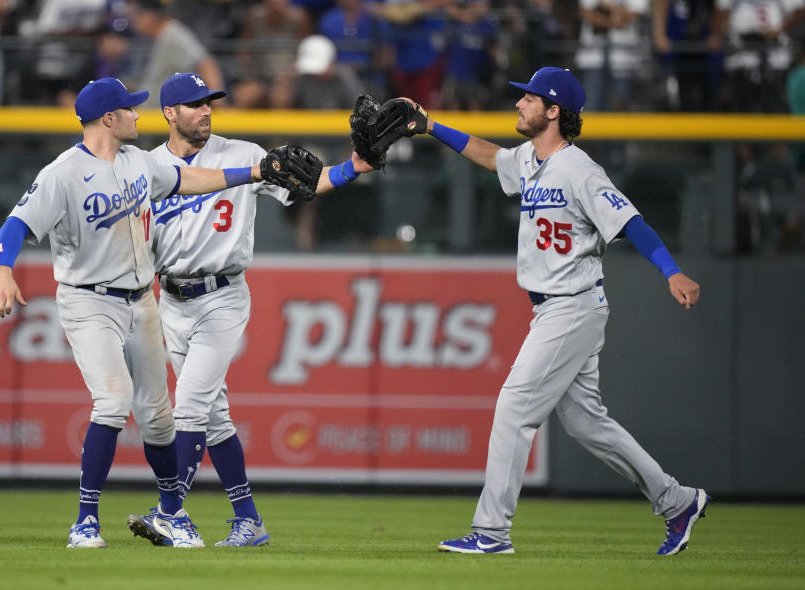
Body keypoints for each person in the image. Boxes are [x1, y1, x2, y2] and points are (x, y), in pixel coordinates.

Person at [386, 67, 708, 555]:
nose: (519, 104)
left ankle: (491, 532)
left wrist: (671, 271)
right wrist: (431, 127)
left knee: (514, 409)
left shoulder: (579, 169)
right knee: (586, 423)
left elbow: (631, 222)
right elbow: (490, 155)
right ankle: (676, 500)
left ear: (553, 111)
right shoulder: (531, 161)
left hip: (571, 308)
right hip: (555, 309)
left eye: (529, 99)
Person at [0, 77, 274, 549]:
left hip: (142, 299)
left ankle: (174, 516)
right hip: (88, 298)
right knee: (113, 402)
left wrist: (254, 173)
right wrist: (2, 270)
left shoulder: (136, 161)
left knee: (159, 418)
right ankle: (86, 522)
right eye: (130, 109)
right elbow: (16, 223)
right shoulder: (63, 172)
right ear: (108, 118)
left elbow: (190, 181)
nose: (140, 115)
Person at [124, 72, 373, 548]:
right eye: (195, 104)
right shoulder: (149, 167)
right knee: (214, 416)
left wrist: (353, 167)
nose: (206, 110)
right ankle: (249, 521)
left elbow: (306, 184)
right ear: (170, 113)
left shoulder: (242, 154)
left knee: (191, 406)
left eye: (209, 102)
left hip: (222, 297)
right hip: (170, 300)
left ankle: (172, 513)